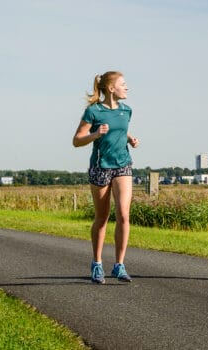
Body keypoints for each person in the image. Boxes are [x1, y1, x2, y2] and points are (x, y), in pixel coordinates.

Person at [72, 71, 139, 284]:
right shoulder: (93, 111)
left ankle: (119, 265)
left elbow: (120, 130)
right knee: (102, 218)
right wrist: (96, 134)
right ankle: (97, 263)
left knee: (124, 214)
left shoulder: (127, 111)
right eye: (123, 84)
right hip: (101, 167)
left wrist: (130, 139)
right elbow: (77, 140)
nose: (127, 87)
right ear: (111, 89)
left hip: (122, 165)